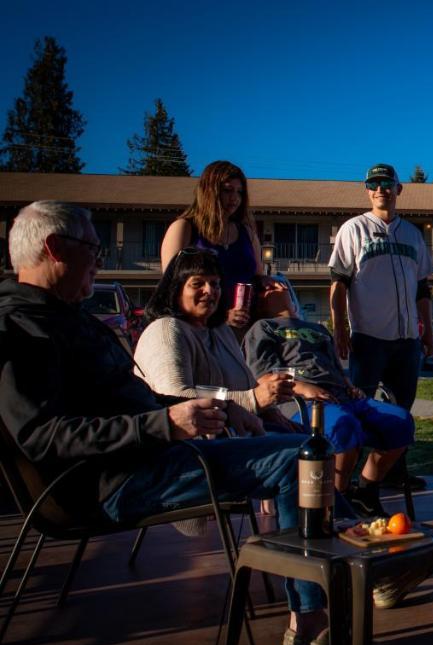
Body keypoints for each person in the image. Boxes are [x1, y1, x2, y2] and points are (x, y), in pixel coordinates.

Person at [0, 201, 329, 645]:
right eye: (92, 248)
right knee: (300, 459)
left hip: (146, 456)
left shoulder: (66, 317)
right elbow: (44, 436)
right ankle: (312, 623)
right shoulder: (20, 329)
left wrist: (217, 410)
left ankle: (342, 568)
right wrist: (166, 423)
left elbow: (141, 400)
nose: (98, 259)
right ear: (55, 249)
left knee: (305, 448)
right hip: (110, 481)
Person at [244, 276, 414, 520]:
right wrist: (303, 388)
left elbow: (334, 366)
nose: (278, 287)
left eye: (279, 284)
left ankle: (365, 491)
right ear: (258, 303)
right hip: (301, 403)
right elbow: (263, 376)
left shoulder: (318, 329)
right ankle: (336, 500)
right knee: (345, 427)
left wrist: (349, 385)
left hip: (343, 396)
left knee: (400, 421)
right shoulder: (263, 328)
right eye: (268, 288)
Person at [328, 163, 433, 492]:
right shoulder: (353, 229)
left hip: (406, 341)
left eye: (387, 183)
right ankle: (343, 484)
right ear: (367, 190)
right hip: (368, 337)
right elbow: (338, 284)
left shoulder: (413, 234)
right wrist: (340, 329)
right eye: (373, 184)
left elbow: (422, 289)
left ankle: (391, 474)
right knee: (356, 408)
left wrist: (428, 331)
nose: (380, 189)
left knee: (400, 411)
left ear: (398, 189)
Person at [132, 248, 295, 433]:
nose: (209, 290)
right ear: (176, 290)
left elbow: (249, 384)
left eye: (215, 284)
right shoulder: (166, 330)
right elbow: (175, 398)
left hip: (238, 434)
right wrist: (253, 400)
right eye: (197, 284)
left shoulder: (220, 331)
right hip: (195, 449)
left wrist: (270, 410)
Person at [160, 161, 264, 332]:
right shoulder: (184, 228)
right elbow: (171, 287)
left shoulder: (247, 232)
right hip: (199, 329)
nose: (235, 198)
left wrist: (270, 282)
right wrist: (221, 316)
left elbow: (258, 276)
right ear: (210, 191)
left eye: (240, 192)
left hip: (247, 325)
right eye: (227, 190)